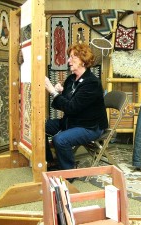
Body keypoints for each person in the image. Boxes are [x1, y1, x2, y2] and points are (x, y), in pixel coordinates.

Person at [45, 43, 108, 171]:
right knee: (40, 127)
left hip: (90, 126)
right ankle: (51, 162)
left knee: (60, 140)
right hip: (74, 121)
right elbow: (70, 101)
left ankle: (69, 172)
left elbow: (72, 107)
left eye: (73, 57)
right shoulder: (71, 79)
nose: (69, 60)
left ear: (83, 61)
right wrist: (62, 92)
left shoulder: (92, 83)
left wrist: (53, 92)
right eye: (69, 57)